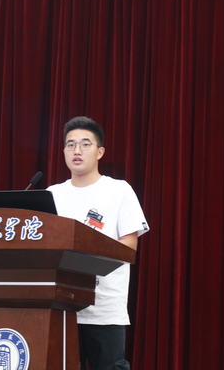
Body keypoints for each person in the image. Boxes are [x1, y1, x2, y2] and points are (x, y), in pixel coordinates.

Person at [47, 116, 150, 370]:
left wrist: (86, 255)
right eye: (70, 145)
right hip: (60, 305)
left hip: (104, 307)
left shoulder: (119, 190)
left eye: (85, 144)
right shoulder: (51, 194)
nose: (77, 151)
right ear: (63, 151)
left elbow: (129, 246)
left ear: (100, 152)